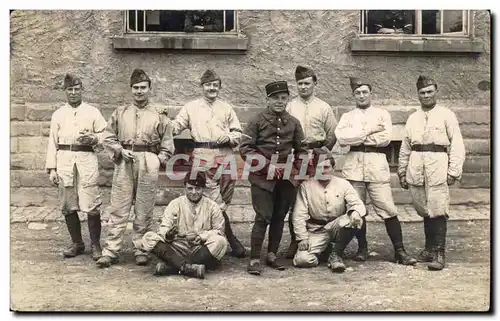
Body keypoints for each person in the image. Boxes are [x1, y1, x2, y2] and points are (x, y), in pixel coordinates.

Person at [334, 76, 416, 265]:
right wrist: (368, 132)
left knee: (387, 208)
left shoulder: (382, 114)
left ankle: (400, 251)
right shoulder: (347, 117)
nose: (361, 96)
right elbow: (342, 139)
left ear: (371, 93)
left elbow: (385, 139)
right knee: (357, 209)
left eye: (365, 92)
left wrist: (357, 137)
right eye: (357, 93)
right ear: (353, 95)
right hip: (354, 166)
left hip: (377, 165)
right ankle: (362, 248)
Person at [96, 69, 174, 268]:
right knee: (119, 207)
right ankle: (111, 250)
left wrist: (158, 159)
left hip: (148, 160)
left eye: (143, 88)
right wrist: (119, 150)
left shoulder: (159, 115)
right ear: (131, 90)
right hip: (125, 160)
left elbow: (167, 142)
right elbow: (107, 136)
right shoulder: (120, 112)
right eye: (136, 88)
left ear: (149, 89)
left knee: (144, 208)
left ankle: (141, 249)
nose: (139, 91)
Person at [168, 69, 246, 258]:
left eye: (215, 85)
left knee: (225, 198)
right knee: (212, 198)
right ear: (202, 87)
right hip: (202, 154)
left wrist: (227, 136)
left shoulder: (226, 107)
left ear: (219, 87)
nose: (212, 88)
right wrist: (163, 121)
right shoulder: (191, 107)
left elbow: (238, 133)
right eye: (208, 85)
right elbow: (176, 126)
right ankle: (229, 239)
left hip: (225, 154)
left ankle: (219, 236)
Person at [239, 80, 308, 275]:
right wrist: (266, 164)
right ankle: (254, 258)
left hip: (285, 180)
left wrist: (297, 172)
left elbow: (302, 150)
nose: (279, 101)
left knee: (279, 217)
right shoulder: (256, 120)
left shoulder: (294, 122)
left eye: (283, 98)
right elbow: (245, 148)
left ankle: (271, 254)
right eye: (275, 98)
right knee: (263, 216)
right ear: (267, 99)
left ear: (287, 99)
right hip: (262, 178)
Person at [398, 75, 465, 271]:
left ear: (436, 92)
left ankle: (439, 252)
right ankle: (428, 249)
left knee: (438, 208)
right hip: (417, 164)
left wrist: (453, 171)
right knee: (424, 208)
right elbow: (405, 147)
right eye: (422, 93)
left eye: (429, 92)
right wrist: (402, 171)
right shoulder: (413, 117)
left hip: (438, 163)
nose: (426, 95)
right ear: (418, 95)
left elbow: (457, 144)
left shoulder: (447, 115)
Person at [45, 74, 107, 261]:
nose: (73, 93)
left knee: (91, 203)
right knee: (68, 204)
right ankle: (77, 243)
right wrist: (52, 169)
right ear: (65, 92)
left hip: (86, 159)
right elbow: (52, 143)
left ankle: (95, 244)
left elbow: (106, 135)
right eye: (69, 90)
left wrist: (94, 139)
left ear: (82, 90)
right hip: (64, 160)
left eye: (76, 89)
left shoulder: (92, 112)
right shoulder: (58, 114)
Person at [284, 65, 338, 259]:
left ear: (315, 83)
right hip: (296, 157)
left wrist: (323, 154)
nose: (304, 87)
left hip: (316, 155)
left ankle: (325, 240)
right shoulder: (290, 106)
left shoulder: (323, 107)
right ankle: (295, 241)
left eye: (307, 83)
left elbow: (332, 134)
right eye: (300, 84)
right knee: (295, 199)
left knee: (318, 197)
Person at [138, 170, 228, 279]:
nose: (194, 192)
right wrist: (168, 235)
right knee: (148, 238)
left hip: (200, 248)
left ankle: (173, 267)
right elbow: (164, 228)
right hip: (177, 247)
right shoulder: (175, 204)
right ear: (185, 188)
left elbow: (219, 231)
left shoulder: (212, 206)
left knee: (221, 241)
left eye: (198, 188)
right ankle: (187, 268)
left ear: (203, 189)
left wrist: (201, 236)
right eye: (190, 188)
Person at [292, 151, 366, 272]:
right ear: (315, 168)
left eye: (326, 167)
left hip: (337, 226)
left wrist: (355, 213)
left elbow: (357, 203)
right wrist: (302, 238)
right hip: (316, 229)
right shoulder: (306, 186)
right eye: (319, 167)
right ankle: (325, 251)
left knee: (354, 218)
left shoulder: (343, 184)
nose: (323, 171)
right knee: (302, 260)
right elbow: (299, 214)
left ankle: (336, 254)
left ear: (333, 168)